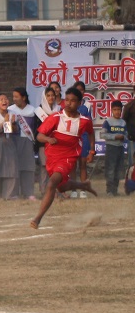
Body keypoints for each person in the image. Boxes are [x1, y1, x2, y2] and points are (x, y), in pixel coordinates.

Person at [30, 87, 95, 229]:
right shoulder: (55, 117)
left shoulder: (84, 121)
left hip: (68, 157)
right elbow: (39, 135)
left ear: (79, 103)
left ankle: (37, 219)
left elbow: (91, 133)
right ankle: (82, 185)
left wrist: (91, 150)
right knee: (61, 187)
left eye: (73, 101)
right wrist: (47, 138)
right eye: (67, 100)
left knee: (52, 183)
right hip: (52, 156)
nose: (69, 103)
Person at [8, 89, 40, 200]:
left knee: (28, 167)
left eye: (16, 96)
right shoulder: (10, 110)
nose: (14, 99)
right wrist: (10, 123)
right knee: (14, 167)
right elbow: (6, 129)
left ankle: (28, 192)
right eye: (13, 96)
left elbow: (36, 128)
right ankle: (14, 193)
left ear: (24, 98)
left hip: (28, 141)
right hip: (13, 140)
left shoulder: (33, 110)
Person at [101, 109, 127, 195]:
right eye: (115, 110)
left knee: (118, 169)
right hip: (111, 147)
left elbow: (127, 135)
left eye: (119, 110)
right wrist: (115, 137)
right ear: (112, 110)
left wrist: (123, 137)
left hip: (120, 148)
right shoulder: (107, 122)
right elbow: (102, 134)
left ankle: (115, 190)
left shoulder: (123, 122)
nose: (117, 112)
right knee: (110, 169)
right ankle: (109, 190)